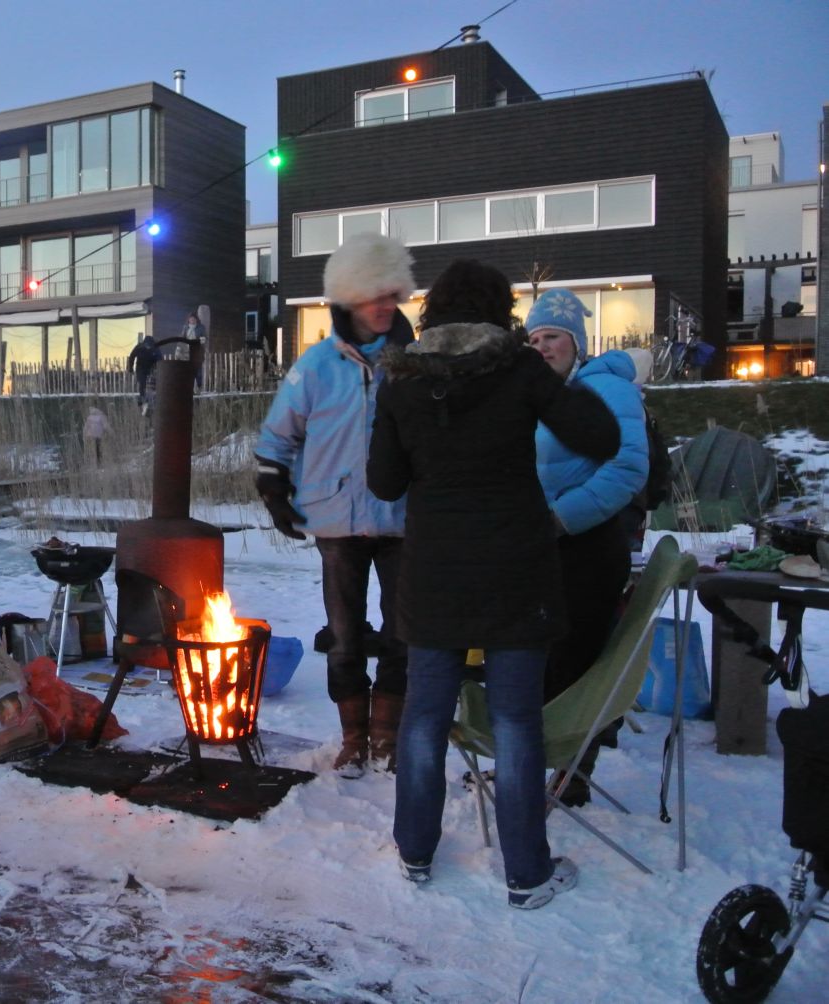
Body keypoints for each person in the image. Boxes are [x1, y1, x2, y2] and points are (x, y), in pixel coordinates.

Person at [367, 259, 620, 910]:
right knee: (514, 721)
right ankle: (527, 874)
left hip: (435, 574)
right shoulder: (519, 367)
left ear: (434, 311)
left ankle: (415, 852)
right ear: (500, 310)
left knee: (423, 718)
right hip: (517, 570)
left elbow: (385, 483)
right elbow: (601, 436)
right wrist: (578, 382)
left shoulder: (401, 381)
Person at [255, 233, 413, 779]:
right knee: (344, 636)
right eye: (374, 296)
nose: (385, 306)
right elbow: (278, 436)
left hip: (401, 520)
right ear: (348, 300)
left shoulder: (414, 364)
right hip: (336, 518)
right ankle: (353, 737)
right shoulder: (316, 365)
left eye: (392, 294)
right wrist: (275, 491)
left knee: (402, 634)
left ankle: (388, 735)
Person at [528, 288, 649, 806]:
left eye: (552, 336)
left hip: (588, 546)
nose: (542, 347)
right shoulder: (537, 393)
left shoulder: (605, 389)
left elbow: (628, 467)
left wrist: (561, 517)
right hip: (542, 546)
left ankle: (572, 771)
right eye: (533, 338)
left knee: (577, 662)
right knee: (541, 662)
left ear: (576, 342)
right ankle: (535, 765)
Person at [126, 333, 160, 412]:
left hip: (151, 368)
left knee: (152, 384)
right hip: (140, 368)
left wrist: (158, 368)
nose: (148, 347)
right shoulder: (139, 347)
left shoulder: (155, 348)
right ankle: (142, 399)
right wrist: (130, 368)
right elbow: (132, 356)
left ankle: (151, 399)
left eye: (149, 346)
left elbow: (160, 358)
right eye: (147, 346)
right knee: (142, 383)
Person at [182, 312, 207, 390]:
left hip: (197, 352)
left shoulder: (201, 327)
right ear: (188, 320)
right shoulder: (185, 327)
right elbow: (182, 339)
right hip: (187, 352)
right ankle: (189, 388)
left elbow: (205, 338)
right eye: (191, 319)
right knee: (188, 371)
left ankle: (199, 388)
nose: (192, 320)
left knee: (198, 371)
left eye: (193, 319)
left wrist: (199, 341)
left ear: (196, 320)